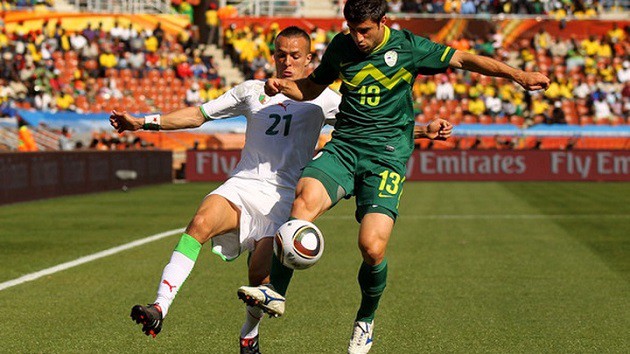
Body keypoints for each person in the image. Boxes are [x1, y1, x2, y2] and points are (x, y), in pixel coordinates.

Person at [236, 1, 550, 353]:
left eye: (364, 31)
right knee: (302, 203)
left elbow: (463, 59)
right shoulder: (342, 47)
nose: (357, 38)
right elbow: (311, 89)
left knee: (372, 247)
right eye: (351, 29)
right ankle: (275, 293)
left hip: (386, 157)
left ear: (383, 22)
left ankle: (365, 320)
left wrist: (518, 76)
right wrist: (282, 87)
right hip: (344, 147)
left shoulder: (409, 48)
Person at [109, 26, 341, 354]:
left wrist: (423, 131)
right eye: (280, 55)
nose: (286, 62)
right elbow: (198, 115)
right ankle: (159, 307)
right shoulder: (251, 91)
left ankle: (249, 332)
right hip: (243, 186)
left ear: (309, 59)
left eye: (295, 56)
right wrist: (143, 122)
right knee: (199, 224)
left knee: (258, 278)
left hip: (284, 199)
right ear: (273, 56)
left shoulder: (325, 98)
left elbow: (370, 124)